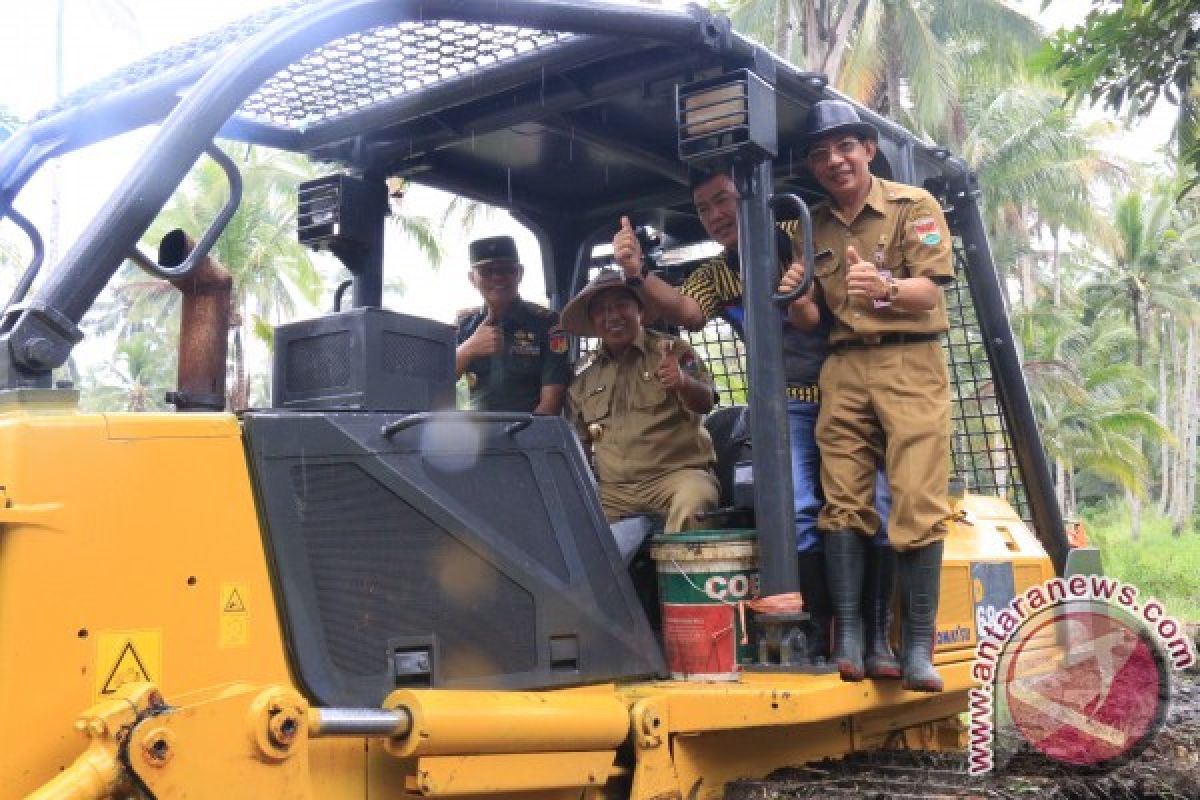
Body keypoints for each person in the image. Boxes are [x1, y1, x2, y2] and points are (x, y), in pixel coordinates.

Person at [611, 171, 895, 673]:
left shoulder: (807, 238)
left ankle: (878, 636)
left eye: (723, 199)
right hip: (785, 404)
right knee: (796, 509)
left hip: (851, 394)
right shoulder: (720, 272)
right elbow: (687, 311)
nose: (715, 214)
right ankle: (815, 633)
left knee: (877, 504)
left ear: (755, 196)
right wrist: (636, 276)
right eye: (703, 208)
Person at [780, 99, 955, 692]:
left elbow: (929, 293)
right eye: (821, 153)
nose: (834, 160)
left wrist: (883, 286)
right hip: (843, 366)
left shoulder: (913, 206)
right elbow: (811, 319)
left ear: (868, 150)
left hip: (909, 360)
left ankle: (918, 649)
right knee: (843, 500)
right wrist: (798, 300)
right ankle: (851, 635)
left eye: (845, 147)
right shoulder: (815, 226)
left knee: (917, 500)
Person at [562, 269, 719, 533]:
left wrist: (683, 382)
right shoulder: (582, 375)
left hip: (676, 477)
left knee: (696, 501)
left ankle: (680, 575)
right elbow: (577, 442)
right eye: (601, 310)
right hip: (614, 491)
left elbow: (705, 402)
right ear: (592, 321)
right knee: (569, 523)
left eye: (621, 305)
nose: (612, 316)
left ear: (640, 310)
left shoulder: (674, 351)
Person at [454, 235, 570, 414]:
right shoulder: (464, 326)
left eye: (507, 270)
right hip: (476, 434)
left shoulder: (548, 324)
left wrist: (524, 440)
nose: (498, 277)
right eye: (486, 271)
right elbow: (434, 383)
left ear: (520, 273)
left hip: (529, 433)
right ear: (472, 279)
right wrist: (469, 349)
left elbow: (551, 403)